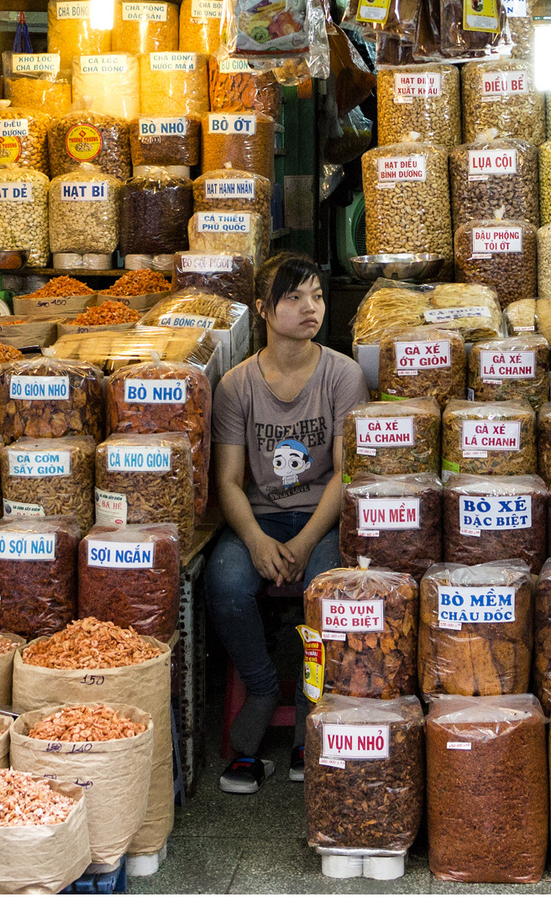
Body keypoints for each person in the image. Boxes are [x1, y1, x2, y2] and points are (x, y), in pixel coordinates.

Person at [204, 252, 368, 794]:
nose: (310, 307)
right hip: (259, 517)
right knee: (224, 583)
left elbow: (347, 474)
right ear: (263, 309)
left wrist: (304, 540)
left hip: (322, 517)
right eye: (294, 297)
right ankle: (260, 687)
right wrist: (253, 539)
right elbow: (228, 480)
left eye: (317, 296)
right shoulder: (236, 385)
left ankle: (309, 705)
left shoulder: (343, 374)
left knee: (326, 591)